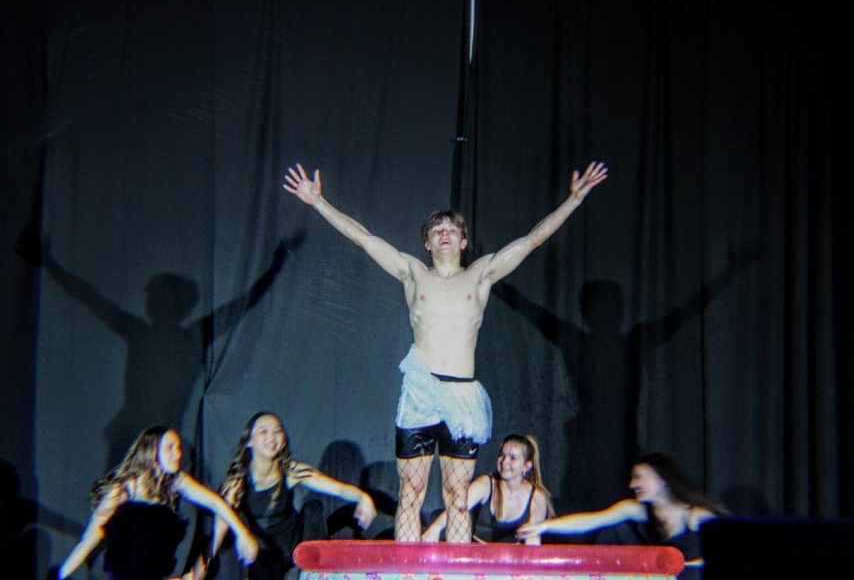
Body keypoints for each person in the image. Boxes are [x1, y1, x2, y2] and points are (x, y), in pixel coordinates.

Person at [283, 160, 608, 542]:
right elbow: (365, 238)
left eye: (452, 229)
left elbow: (532, 240)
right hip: (421, 392)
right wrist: (319, 203)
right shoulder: (412, 272)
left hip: (461, 395)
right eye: (437, 230)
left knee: (457, 497)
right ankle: (407, 573)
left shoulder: (481, 273)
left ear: (464, 241)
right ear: (427, 243)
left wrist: (573, 201)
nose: (445, 234)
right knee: (412, 494)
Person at [57, 427, 257, 580]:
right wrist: (60, 575)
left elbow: (215, 502)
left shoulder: (175, 481)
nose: (177, 454)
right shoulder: (121, 491)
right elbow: (87, 543)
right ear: (151, 451)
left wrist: (242, 534)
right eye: (170, 448)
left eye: (178, 448)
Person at [196, 412, 377, 580]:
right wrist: (196, 574)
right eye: (263, 432)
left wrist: (362, 497)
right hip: (265, 554)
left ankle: (315, 573)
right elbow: (217, 533)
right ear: (249, 441)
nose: (271, 437)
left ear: (283, 440)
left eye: (277, 432)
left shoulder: (291, 471)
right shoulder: (237, 484)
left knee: (313, 507)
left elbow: (337, 489)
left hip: (296, 546)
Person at [517, 453, 727, 576]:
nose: (632, 484)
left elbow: (736, 543)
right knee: (615, 531)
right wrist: (546, 526)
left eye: (639, 477)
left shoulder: (694, 515)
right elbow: (593, 520)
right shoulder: (638, 510)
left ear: (661, 479)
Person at [422, 434, 553, 544]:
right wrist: (435, 528)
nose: (504, 461)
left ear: (526, 466)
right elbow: (457, 507)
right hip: (474, 553)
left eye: (512, 458)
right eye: (502, 455)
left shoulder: (537, 497)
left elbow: (533, 539)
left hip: (508, 562)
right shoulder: (486, 484)